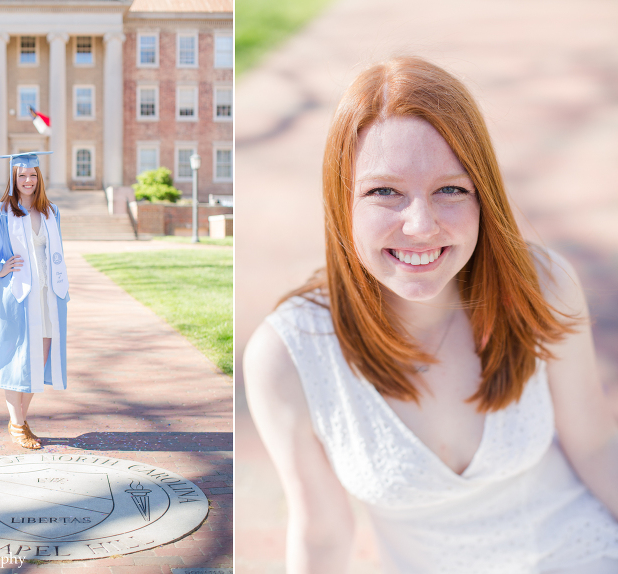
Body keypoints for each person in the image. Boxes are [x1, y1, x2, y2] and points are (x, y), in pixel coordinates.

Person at [243, 57, 618, 574]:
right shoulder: (289, 356)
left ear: (483, 197)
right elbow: (324, 535)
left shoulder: (541, 286)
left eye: (451, 189)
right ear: (342, 203)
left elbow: (596, 447)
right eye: (384, 192)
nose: (421, 225)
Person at [0, 151, 70, 449]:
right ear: (13, 178)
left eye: (32, 175)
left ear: (39, 178)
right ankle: (18, 424)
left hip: (49, 295)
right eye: (22, 175)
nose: (27, 180)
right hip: (18, 295)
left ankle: (18, 420)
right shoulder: (0, 212)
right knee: (17, 359)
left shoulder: (51, 212)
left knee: (40, 358)